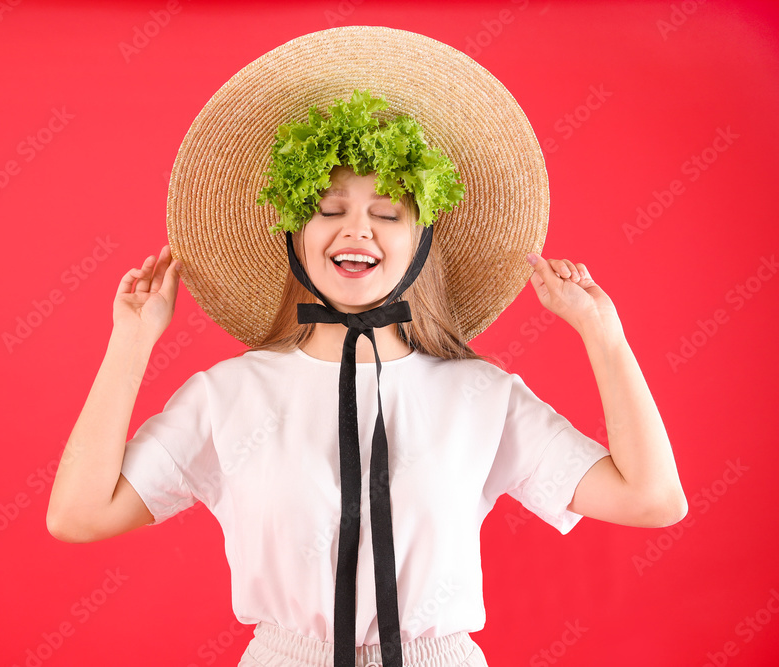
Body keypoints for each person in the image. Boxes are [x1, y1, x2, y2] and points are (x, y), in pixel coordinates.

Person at [46, 27, 687, 667]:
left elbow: (652, 499)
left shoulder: (480, 395)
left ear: (420, 245)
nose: (358, 230)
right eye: (329, 208)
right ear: (295, 235)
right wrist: (130, 345)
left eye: (387, 214)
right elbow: (78, 517)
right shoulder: (229, 394)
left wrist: (605, 336)